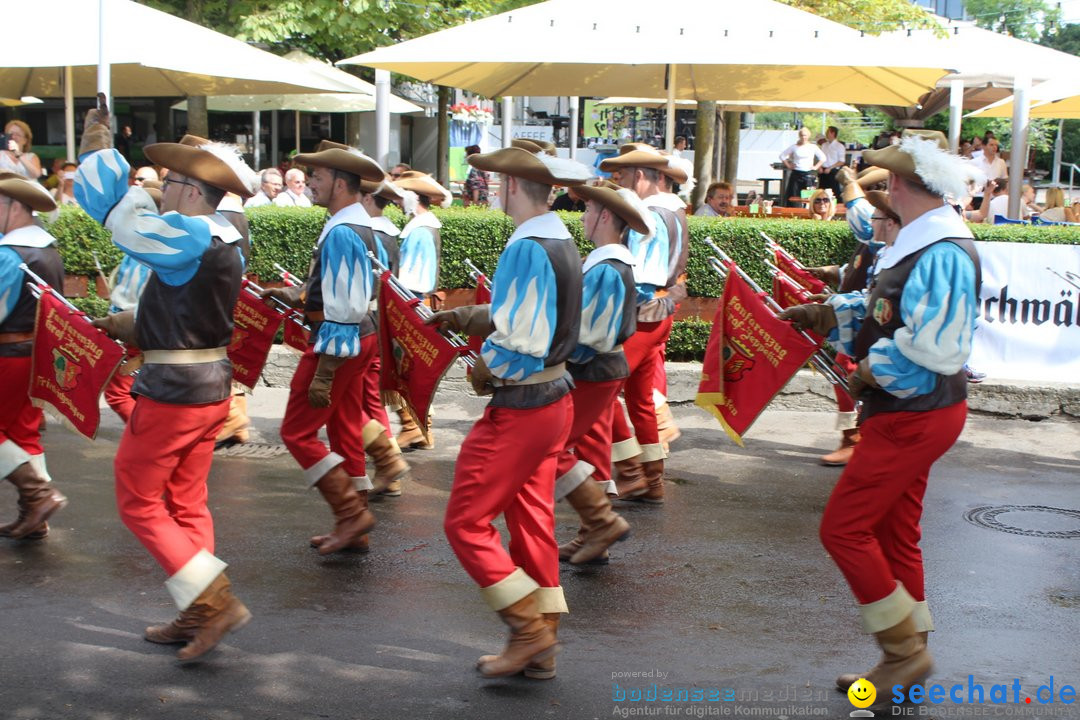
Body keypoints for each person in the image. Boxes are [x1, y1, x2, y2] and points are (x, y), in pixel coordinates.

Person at [779, 129, 983, 707]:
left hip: (913, 412)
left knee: (843, 529)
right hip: (915, 411)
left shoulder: (940, 249)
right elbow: (883, 310)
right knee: (895, 533)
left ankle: (903, 654)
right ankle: (905, 654)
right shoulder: (925, 242)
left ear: (898, 186)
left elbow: (937, 347)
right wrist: (827, 312)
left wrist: (871, 366)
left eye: (887, 181)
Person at [75, 104, 260, 662]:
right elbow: (190, 310)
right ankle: (197, 610)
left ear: (190, 190)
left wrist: (99, 144)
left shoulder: (191, 236)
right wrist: (132, 324)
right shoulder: (227, 239)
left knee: (137, 499)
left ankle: (211, 601)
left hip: (175, 389)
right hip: (209, 385)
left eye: (169, 183)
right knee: (186, 500)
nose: (161, 191)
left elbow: (116, 215)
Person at [427, 145, 589, 679]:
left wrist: (484, 365)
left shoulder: (526, 246)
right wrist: (469, 317)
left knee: (466, 523)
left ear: (512, 188)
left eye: (500, 184)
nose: (497, 191)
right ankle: (542, 641)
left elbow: (520, 337)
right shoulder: (559, 239)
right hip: (554, 399)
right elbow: (526, 316)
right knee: (532, 523)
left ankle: (528, 631)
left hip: (522, 407)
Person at [261, 144, 385, 556]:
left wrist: (326, 370)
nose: (311, 183)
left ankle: (351, 515)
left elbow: (346, 305)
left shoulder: (344, 229)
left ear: (340, 182)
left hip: (340, 342)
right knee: (345, 428)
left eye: (316, 177)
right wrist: (298, 294)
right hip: (358, 337)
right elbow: (344, 291)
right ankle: (355, 523)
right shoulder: (355, 223)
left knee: (296, 432)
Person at [555, 181, 646, 569]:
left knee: (552, 448)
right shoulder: (608, 262)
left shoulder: (607, 267)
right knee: (588, 451)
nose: (583, 217)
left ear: (605, 216)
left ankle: (601, 523)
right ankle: (593, 533)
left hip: (592, 369)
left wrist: (550, 356)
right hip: (599, 368)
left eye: (588, 210)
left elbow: (590, 334)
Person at [598, 144, 689, 503]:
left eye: (621, 176)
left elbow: (638, 276)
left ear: (639, 176)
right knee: (638, 397)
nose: (617, 182)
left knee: (601, 390)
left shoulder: (646, 214)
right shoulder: (676, 209)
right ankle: (653, 479)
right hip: (661, 310)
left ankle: (631, 471)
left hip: (642, 312)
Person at [0, 173, 68, 542]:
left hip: (8, 354)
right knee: (23, 432)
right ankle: (34, 516)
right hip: (35, 353)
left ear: (14, 207)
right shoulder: (48, 249)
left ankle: (38, 496)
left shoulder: (9, 254)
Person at [391, 170, 452, 451]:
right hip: (417, 304)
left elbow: (412, 279)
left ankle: (415, 426)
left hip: (412, 306)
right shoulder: (424, 227)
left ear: (412, 198)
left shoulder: (419, 230)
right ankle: (419, 427)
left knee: (407, 368)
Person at [779, 127, 825, 207]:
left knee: (808, 196)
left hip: (808, 174)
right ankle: (793, 211)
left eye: (805, 135)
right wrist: (789, 165)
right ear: (799, 136)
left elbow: (823, 158)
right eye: (802, 135)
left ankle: (808, 211)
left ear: (808, 136)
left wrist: (815, 167)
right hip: (796, 173)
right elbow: (782, 156)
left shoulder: (812, 147)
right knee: (794, 194)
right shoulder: (794, 147)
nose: (804, 137)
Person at [970, 138, 1007, 202]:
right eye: (991, 145)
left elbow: (1005, 179)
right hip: (979, 197)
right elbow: (968, 182)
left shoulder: (1001, 162)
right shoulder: (974, 162)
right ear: (983, 146)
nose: (994, 147)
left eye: (996, 145)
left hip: (996, 197)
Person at [819, 126, 847, 195]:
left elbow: (841, 161)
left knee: (834, 192)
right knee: (821, 192)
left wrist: (830, 168)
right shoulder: (824, 145)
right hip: (823, 170)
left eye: (828, 132)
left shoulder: (839, 146)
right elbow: (821, 158)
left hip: (833, 171)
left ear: (833, 133)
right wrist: (819, 167)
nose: (826, 133)